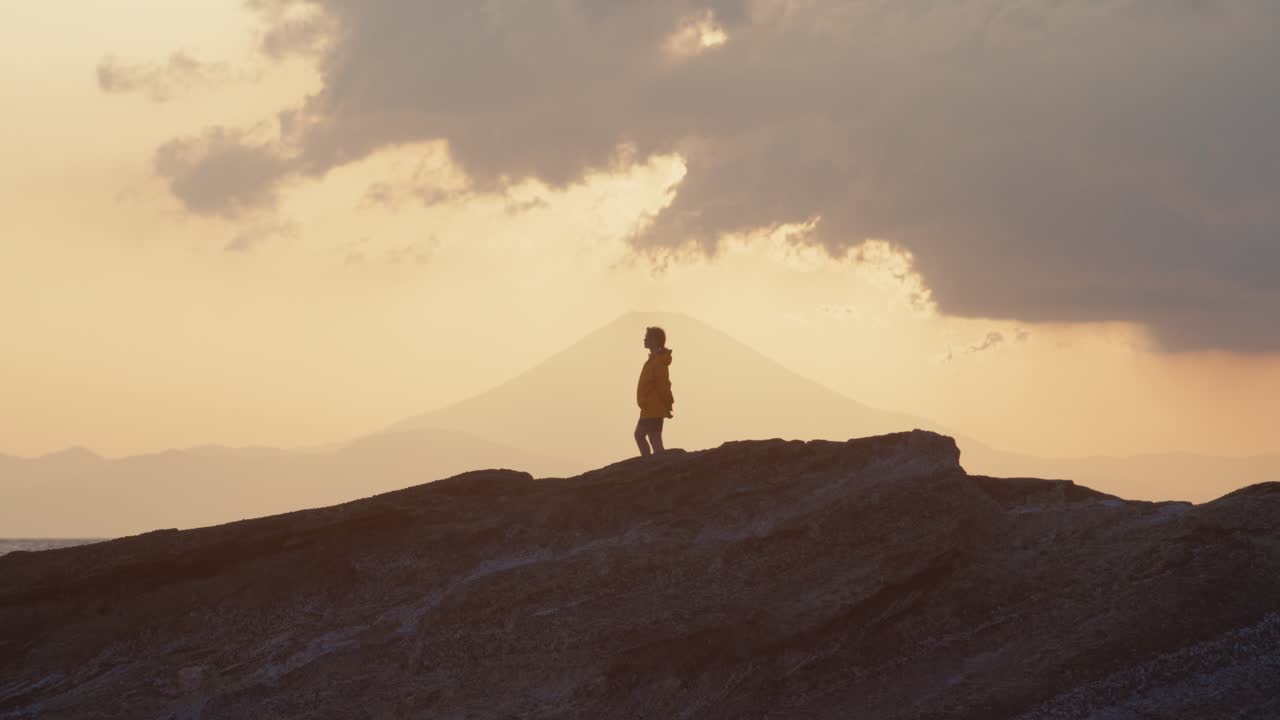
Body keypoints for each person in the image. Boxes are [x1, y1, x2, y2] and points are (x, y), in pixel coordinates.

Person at [635, 326, 674, 457]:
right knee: (646, 437)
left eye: (647, 337)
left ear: (655, 340)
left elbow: (663, 386)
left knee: (651, 439)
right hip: (649, 408)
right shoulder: (653, 360)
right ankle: (651, 463)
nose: (644, 339)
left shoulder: (658, 362)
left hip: (654, 408)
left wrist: (668, 405)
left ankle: (654, 465)